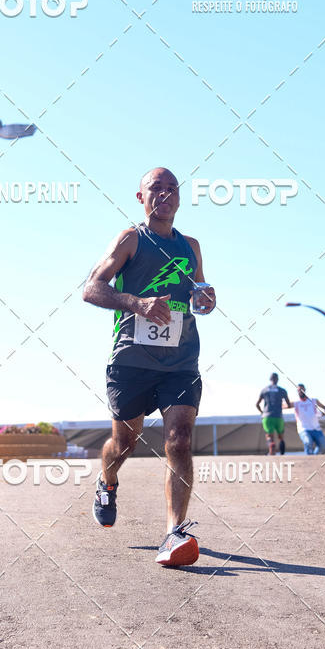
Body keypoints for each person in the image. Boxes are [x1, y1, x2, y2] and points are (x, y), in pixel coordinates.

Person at [82, 167, 216, 567]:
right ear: (140, 198)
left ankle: (174, 533)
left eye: (171, 188)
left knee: (179, 438)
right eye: (154, 188)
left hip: (179, 360)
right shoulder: (130, 240)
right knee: (125, 442)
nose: (164, 194)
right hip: (131, 360)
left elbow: (198, 292)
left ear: (179, 198)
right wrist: (137, 303)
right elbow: (91, 288)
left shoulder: (191, 246)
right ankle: (107, 481)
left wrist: (204, 300)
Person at [256, 373, 291, 455]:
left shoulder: (264, 390)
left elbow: (257, 404)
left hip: (267, 416)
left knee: (269, 436)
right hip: (278, 416)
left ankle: (272, 449)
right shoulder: (282, 390)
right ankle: (282, 454)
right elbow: (288, 404)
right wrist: (281, 406)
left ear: (270, 379)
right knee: (281, 437)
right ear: (277, 379)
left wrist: (262, 412)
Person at [293, 383, 325, 454]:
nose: (300, 391)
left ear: (305, 390)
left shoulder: (313, 401)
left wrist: (322, 413)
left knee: (323, 445)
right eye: (298, 390)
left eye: (302, 389)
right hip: (304, 429)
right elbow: (283, 405)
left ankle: (314, 459)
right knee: (308, 442)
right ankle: (309, 461)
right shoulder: (296, 403)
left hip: (316, 428)